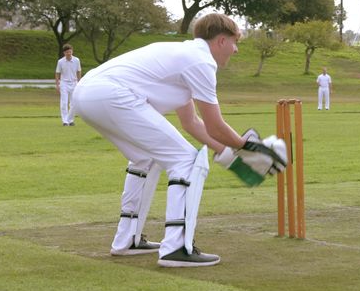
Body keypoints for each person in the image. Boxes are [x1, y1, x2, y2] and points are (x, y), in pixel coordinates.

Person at [72, 13, 287, 267]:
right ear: (220, 40)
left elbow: (192, 123)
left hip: (86, 94)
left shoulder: (184, 57)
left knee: (145, 158)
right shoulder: (201, 62)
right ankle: (176, 248)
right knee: (186, 159)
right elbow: (215, 125)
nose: (236, 49)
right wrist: (250, 148)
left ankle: (128, 239)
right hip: (112, 94)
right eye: (234, 42)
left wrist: (228, 154)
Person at [55, 44, 82, 126]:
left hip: (74, 83)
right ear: (64, 53)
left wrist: (79, 82)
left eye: (70, 52)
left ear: (72, 51)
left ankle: (70, 120)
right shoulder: (60, 61)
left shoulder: (76, 60)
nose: (69, 53)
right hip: (64, 83)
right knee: (64, 103)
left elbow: (79, 71)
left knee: (73, 103)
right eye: (67, 52)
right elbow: (57, 73)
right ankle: (65, 121)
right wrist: (57, 84)